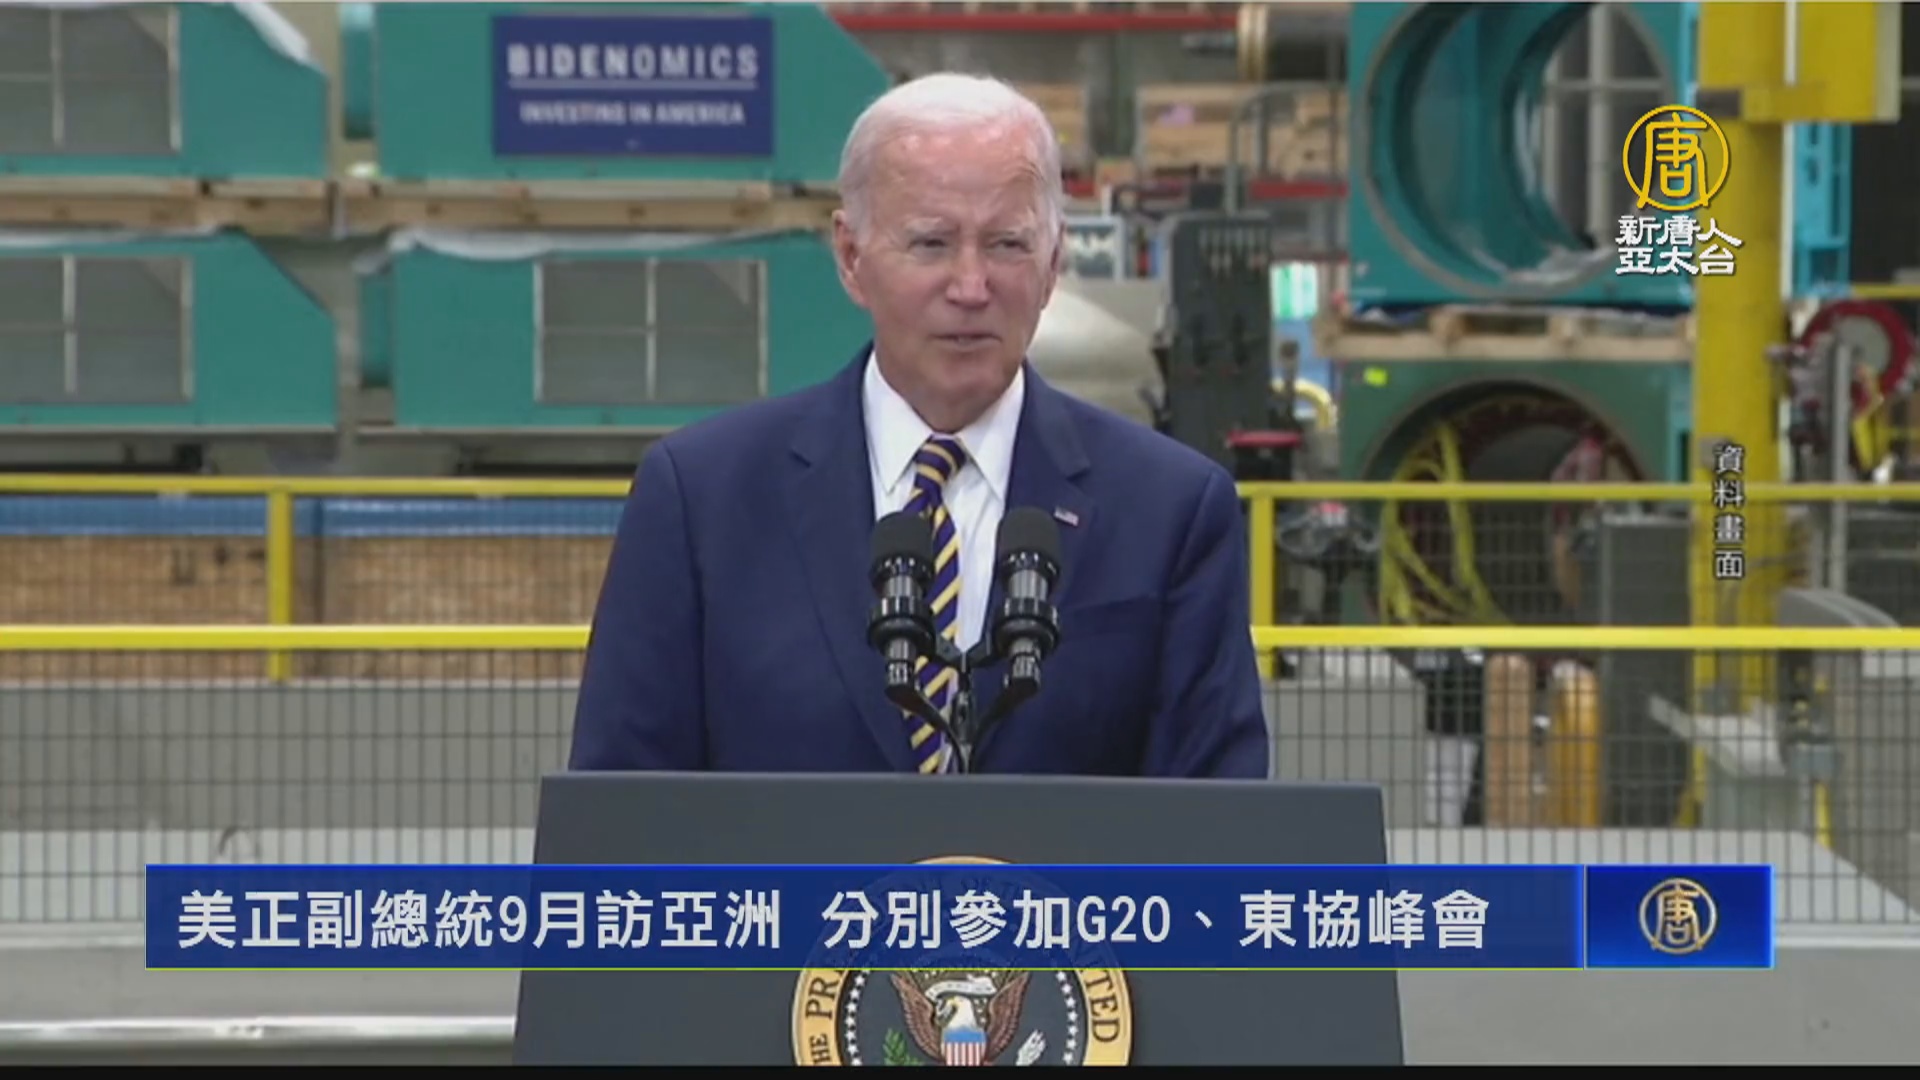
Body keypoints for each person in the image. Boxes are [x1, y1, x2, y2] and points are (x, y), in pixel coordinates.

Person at [567, 73, 1267, 778]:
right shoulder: (701, 500)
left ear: (1054, 262)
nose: (970, 287)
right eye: (931, 244)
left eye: (1007, 245)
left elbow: (1220, 819)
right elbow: (618, 809)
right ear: (851, 257)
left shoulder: (1171, 510)